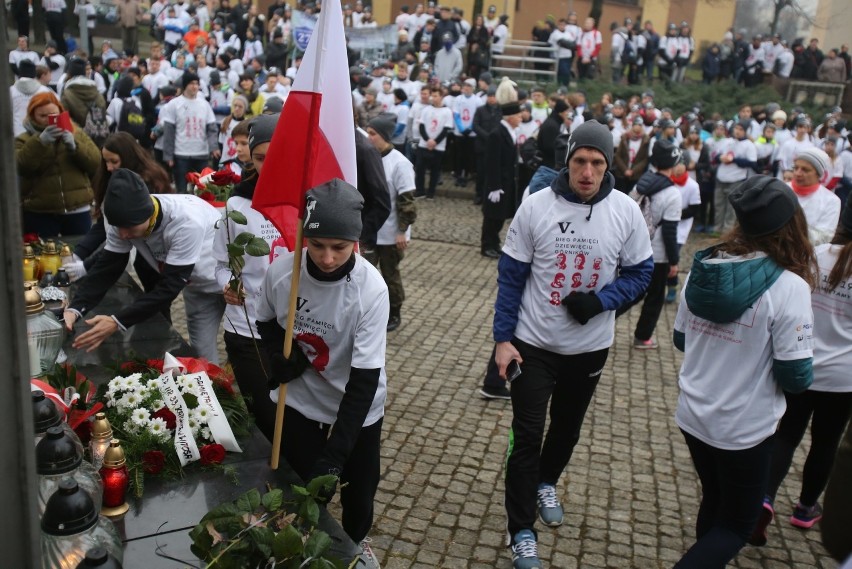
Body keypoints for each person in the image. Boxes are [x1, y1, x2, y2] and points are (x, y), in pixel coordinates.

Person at [494, 120, 653, 568]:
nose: (587, 171)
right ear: (568, 161)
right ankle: (521, 529)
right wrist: (502, 339)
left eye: (597, 163)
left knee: (566, 428)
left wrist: (603, 301)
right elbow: (510, 278)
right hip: (533, 344)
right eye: (580, 161)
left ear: (608, 166)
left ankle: (548, 480)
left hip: (589, 348)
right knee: (527, 436)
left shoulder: (626, 211)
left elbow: (642, 273)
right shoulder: (536, 207)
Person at [672, 175, 816, 567]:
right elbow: (796, 377)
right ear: (793, 225)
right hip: (742, 428)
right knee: (738, 523)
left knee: (715, 500)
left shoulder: (705, 268)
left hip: (693, 414)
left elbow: (681, 340)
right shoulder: (791, 288)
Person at [255, 179, 389, 552]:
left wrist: (335, 457)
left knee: (359, 492)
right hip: (302, 395)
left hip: (355, 403)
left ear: (356, 242)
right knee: (305, 486)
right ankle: (303, 544)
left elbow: (363, 383)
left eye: (339, 247)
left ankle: (357, 545)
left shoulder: (372, 290)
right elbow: (265, 321)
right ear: (304, 238)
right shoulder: (283, 273)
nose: (327, 258)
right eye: (316, 245)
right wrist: (279, 357)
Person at [749, 203, 852, 546]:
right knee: (826, 442)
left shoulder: (817, 255)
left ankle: (764, 496)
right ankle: (806, 507)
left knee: (786, 435)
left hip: (802, 359)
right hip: (844, 378)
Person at [63, 169, 226, 364]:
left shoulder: (186, 222)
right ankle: (215, 390)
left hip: (232, 283)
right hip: (198, 289)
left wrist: (117, 321)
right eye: (119, 228)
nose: (123, 235)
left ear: (147, 213)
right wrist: (75, 308)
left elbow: (168, 288)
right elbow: (108, 267)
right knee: (202, 357)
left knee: (243, 349)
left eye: (130, 229)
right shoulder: (120, 220)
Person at [212, 115, 283, 441]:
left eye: (277, 156)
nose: (269, 166)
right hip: (247, 327)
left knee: (294, 414)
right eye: (260, 158)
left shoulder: (306, 200)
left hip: (297, 328)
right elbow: (221, 263)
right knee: (265, 412)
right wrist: (228, 284)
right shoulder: (237, 205)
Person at [62, 132, 172, 281]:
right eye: (106, 161)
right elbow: (105, 224)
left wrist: (87, 265)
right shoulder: (111, 178)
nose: (108, 167)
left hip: (152, 255)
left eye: (114, 161)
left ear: (128, 157)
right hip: (130, 255)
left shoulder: (143, 183)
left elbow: (122, 233)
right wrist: (80, 252)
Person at [15, 92, 100, 238]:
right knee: (42, 257)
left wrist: (75, 146)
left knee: (80, 254)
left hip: (77, 208)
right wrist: (40, 142)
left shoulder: (76, 132)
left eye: (53, 114)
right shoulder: (23, 139)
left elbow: (95, 162)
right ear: (32, 116)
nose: (49, 120)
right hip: (40, 211)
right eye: (43, 116)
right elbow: (21, 165)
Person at [628, 140, 683, 348]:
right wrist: (674, 261)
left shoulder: (641, 184)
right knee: (654, 297)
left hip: (634, 248)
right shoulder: (672, 194)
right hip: (657, 255)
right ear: (672, 164)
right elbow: (670, 232)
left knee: (631, 291)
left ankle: (602, 320)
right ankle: (643, 336)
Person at [367, 113, 418, 331]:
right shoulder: (369, 157)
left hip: (391, 232)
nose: (369, 137)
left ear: (385, 136)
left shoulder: (400, 164)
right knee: (365, 273)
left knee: (389, 274)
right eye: (368, 133)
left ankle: (394, 312)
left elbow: (407, 202)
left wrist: (402, 231)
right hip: (370, 229)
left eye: (373, 134)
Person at [161, 72, 220, 192]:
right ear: (185, 85)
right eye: (191, 83)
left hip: (201, 154)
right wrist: (168, 155)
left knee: (202, 190)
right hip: (181, 154)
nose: (194, 87)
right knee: (181, 190)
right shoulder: (174, 104)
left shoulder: (204, 105)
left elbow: (211, 129)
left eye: (197, 84)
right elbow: (169, 131)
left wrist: (214, 147)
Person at [480, 91, 522, 259]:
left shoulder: (511, 132)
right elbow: (492, 162)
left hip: (507, 181)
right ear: (510, 117)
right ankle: (486, 244)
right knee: (492, 216)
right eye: (518, 115)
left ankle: (495, 242)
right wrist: (494, 186)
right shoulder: (496, 134)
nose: (520, 117)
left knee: (500, 216)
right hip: (497, 184)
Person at [712, 121, 757, 233]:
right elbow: (715, 156)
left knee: (731, 207)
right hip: (721, 177)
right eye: (736, 128)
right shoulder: (727, 141)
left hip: (736, 178)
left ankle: (727, 231)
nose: (737, 131)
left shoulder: (749, 145)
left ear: (746, 131)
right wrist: (720, 157)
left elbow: (752, 163)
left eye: (741, 129)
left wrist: (734, 160)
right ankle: (717, 228)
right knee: (718, 204)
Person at [790, 148, 841, 246]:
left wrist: (789, 231)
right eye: (796, 168)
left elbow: (824, 237)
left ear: (818, 174)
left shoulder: (831, 201)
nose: (798, 173)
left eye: (805, 170)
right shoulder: (782, 190)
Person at [415, 86, 453, 199]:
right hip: (424, 144)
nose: (433, 98)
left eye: (436, 96)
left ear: (441, 97)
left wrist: (435, 142)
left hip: (438, 146)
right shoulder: (426, 109)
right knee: (420, 169)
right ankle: (420, 191)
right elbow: (421, 126)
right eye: (432, 95)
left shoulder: (447, 111)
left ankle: (431, 192)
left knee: (435, 171)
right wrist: (428, 140)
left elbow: (446, 129)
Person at [10, 60, 52, 138]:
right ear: (34, 73)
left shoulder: (10, 91)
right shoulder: (45, 91)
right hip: (39, 135)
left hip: (16, 134)